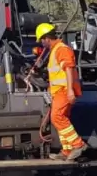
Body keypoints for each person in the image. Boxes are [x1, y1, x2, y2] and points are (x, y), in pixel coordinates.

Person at [34, 22, 88, 161]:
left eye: (41, 40)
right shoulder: (55, 50)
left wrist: (70, 90)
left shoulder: (61, 49)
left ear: (47, 38)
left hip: (64, 91)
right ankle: (66, 151)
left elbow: (69, 69)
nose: (41, 43)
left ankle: (78, 144)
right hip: (59, 92)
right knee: (62, 120)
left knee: (57, 117)